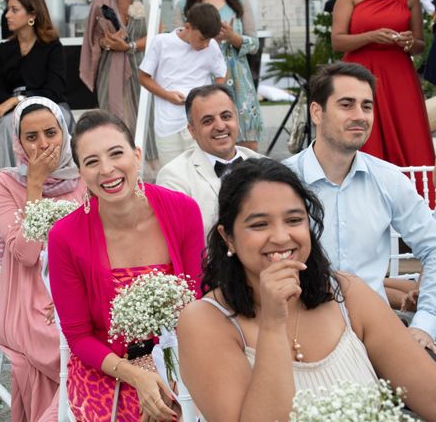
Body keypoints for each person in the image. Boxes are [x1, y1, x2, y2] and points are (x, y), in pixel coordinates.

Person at [177, 158, 436, 421]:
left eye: (293, 220)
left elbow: (429, 394)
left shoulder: (348, 294)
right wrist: (273, 322)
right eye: (259, 224)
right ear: (227, 236)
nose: (280, 237)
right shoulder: (204, 321)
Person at [48, 110, 204, 421]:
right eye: (91, 161)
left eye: (116, 153)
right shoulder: (64, 237)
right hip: (106, 368)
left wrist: (171, 371)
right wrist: (138, 376)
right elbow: (78, 337)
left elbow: (197, 301)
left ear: (136, 155)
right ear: (80, 172)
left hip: (184, 357)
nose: (106, 170)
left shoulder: (183, 211)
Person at [284, 62, 436, 351]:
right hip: (301, 337)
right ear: (317, 112)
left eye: (367, 106)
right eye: (346, 104)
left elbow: (433, 246)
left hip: (376, 337)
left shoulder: (388, 179)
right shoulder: (282, 182)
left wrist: (425, 323)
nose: (360, 116)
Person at [0, 97, 84, 421]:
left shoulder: (85, 178)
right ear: (19, 143)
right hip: (27, 298)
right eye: (31, 137)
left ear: (65, 134)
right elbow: (26, 255)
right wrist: (34, 183)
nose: (44, 145)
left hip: (78, 289)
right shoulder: (5, 184)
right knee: (66, 343)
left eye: (50, 133)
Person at [332, 0, 435, 201]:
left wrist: (411, 43)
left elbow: (420, 45)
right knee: (366, 137)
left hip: (399, 75)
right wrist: (370, 36)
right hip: (359, 76)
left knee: (409, 137)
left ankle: (415, 206)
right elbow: (337, 41)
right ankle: (363, 202)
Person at [174, 0, 263, 152]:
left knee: (247, 151)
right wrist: (203, 39)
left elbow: (254, 44)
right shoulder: (183, 6)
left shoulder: (239, 1)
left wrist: (233, 38)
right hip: (202, 83)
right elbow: (176, 47)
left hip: (239, 86)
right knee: (207, 149)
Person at [79, 0, 157, 162]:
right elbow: (93, 37)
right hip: (110, 68)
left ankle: (146, 168)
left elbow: (157, 32)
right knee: (113, 119)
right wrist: (107, 42)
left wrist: (129, 46)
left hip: (143, 67)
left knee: (144, 117)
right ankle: (116, 162)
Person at [156, 84, 261, 236]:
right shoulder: (174, 177)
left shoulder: (261, 163)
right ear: (192, 131)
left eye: (226, 116)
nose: (219, 126)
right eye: (207, 121)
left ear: (237, 119)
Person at [0, 0, 67, 173]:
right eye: (8, 10)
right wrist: (12, 103)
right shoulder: (4, 49)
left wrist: (20, 100)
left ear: (32, 15)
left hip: (50, 105)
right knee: (7, 122)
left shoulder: (52, 47)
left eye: (14, 10)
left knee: (13, 122)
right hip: (10, 109)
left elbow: (55, 90)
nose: (7, 15)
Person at [139, 3, 227, 167]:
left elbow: (222, 74)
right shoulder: (161, 42)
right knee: (171, 176)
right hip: (167, 125)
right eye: (202, 39)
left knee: (204, 172)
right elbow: (143, 77)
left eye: (210, 40)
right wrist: (167, 95)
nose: (206, 44)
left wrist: (210, 99)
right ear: (187, 27)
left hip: (201, 123)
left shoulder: (211, 46)